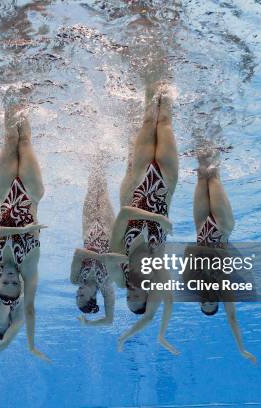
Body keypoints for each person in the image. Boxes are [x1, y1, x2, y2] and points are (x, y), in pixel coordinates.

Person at [0, 104, 49, 368]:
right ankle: (24, 95)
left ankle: (10, 94)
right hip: (30, 194)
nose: (10, 281)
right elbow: (25, 313)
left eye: (7, 284)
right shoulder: (27, 271)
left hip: (1, 201)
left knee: (9, 140)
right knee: (24, 141)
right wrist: (28, 343)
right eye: (14, 284)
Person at [105, 84, 179, 355]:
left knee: (149, 120)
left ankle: (147, 74)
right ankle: (165, 74)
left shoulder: (119, 265)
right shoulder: (157, 268)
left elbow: (124, 214)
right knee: (165, 121)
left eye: (129, 296)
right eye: (139, 296)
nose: (133, 292)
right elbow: (165, 304)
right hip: (165, 184)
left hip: (135, 185)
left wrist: (123, 337)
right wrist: (161, 336)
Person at [190, 146, 257, 364]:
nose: (208, 299)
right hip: (221, 227)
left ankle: (199, 135)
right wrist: (242, 349)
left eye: (204, 303)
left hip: (201, 227)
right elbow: (232, 318)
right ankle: (216, 137)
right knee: (214, 175)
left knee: (202, 173)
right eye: (212, 302)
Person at [70, 164, 115, 326]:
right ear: (93, 297)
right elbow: (109, 320)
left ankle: (94, 158)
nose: (78, 292)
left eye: (77, 296)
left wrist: (100, 257)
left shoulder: (75, 279)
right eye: (81, 296)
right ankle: (105, 157)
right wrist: (89, 324)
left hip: (88, 230)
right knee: (102, 192)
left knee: (91, 189)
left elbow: (78, 253)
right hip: (109, 230)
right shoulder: (106, 286)